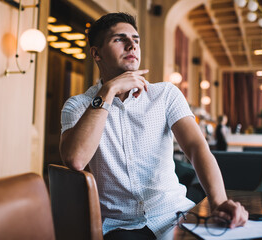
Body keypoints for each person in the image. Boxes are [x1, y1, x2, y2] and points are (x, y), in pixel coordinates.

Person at [59, 12, 248, 239]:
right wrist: (107, 92)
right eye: (119, 39)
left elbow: (197, 147)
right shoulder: (77, 106)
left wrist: (218, 202)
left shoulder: (165, 94)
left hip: (175, 213)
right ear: (96, 53)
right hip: (119, 225)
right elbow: (75, 159)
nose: (132, 45)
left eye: (136, 40)